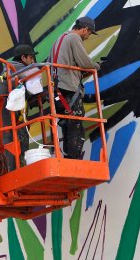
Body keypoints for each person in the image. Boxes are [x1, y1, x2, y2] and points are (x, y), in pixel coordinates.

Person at [48, 16, 100, 159]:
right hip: (69, 88)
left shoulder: (59, 39)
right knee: (75, 122)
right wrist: (96, 66)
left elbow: (52, 63)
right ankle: (74, 157)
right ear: (85, 29)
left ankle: (68, 156)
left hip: (57, 89)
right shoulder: (74, 38)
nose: (88, 36)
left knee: (66, 123)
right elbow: (85, 62)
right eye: (89, 33)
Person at [2, 44, 40, 170]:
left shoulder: (7, 69)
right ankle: (21, 166)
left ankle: (15, 166)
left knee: (12, 138)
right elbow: (36, 78)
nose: (32, 61)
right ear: (23, 57)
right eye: (31, 58)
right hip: (16, 113)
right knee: (21, 138)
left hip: (8, 112)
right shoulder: (21, 70)